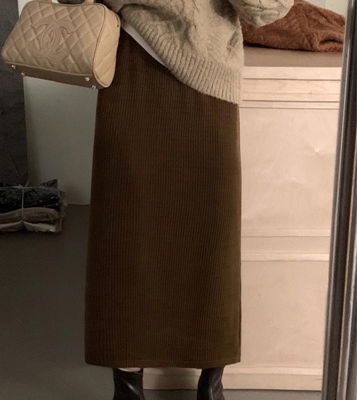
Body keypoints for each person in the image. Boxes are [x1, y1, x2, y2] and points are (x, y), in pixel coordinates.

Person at [79, 0, 294, 399]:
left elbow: (266, 9)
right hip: (134, 66)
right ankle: (133, 383)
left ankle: (206, 381)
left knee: (206, 235)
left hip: (202, 80)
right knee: (130, 233)